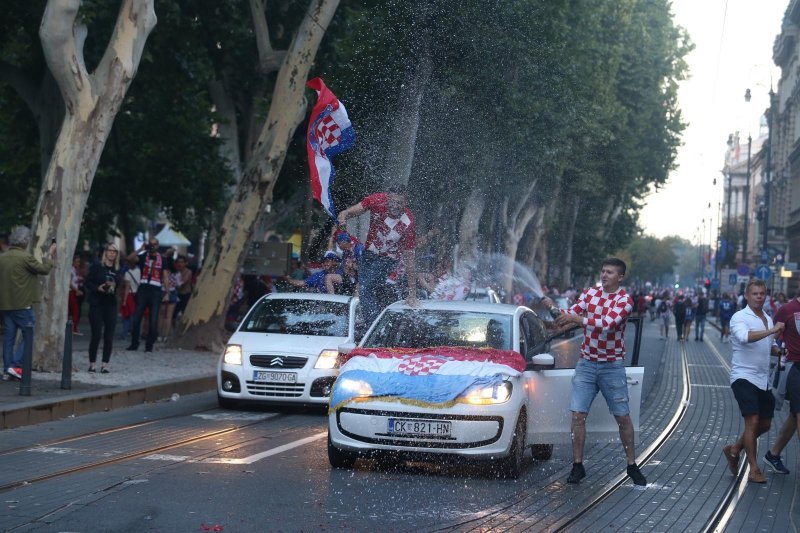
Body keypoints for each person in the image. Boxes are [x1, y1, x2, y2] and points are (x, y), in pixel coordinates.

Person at [544, 257, 647, 486]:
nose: (604, 275)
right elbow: (568, 314)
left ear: (620, 277)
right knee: (578, 415)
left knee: (622, 416)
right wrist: (552, 308)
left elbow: (607, 323)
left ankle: (631, 464)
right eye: (602, 271)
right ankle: (577, 465)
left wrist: (575, 318)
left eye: (609, 272)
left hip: (612, 366)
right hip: (587, 364)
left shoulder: (625, 300)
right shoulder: (589, 294)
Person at [721, 279, 784, 484]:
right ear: (747, 296)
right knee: (753, 421)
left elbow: (770, 345)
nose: (759, 297)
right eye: (755, 293)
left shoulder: (767, 317)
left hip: (763, 379)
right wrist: (772, 330)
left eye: (762, 293)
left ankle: (735, 449)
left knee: (764, 424)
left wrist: (781, 350)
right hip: (743, 376)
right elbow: (745, 337)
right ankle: (753, 468)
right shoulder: (740, 317)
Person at [336, 185, 417, 325]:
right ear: (387, 199)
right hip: (368, 254)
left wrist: (413, 293)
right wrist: (344, 214)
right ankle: (382, 319)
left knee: (365, 288)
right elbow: (355, 211)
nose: (395, 206)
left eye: (399, 203)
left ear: (405, 203)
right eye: (392, 202)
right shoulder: (377, 200)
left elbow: (410, 259)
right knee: (364, 289)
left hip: (388, 259)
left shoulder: (408, 223)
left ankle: (372, 328)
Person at [0, 226, 56, 380]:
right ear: (25, 241)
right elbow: (44, 269)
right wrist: (50, 255)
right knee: (29, 334)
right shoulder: (25, 257)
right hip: (22, 304)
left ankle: (7, 370)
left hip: (5, 305)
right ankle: (16, 366)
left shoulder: (2, 257)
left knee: (9, 338)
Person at [763, 290, 800, 476]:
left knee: (795, 416)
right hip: (794, 368)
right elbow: (772, 338)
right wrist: (778, 352)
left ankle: (773, 453)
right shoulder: (787, 309)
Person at [126, 237, 168, 353]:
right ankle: (134, 343)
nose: (152, 246)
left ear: (158, 245)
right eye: (151, 244)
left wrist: (167, 292)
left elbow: (165, 275)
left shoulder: (163, 259)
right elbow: (129, 258)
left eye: (154, 244)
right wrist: (140, 249)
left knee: (153, 320)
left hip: (156, 291)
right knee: (137, 318)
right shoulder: (143, 256)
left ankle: (149, 345)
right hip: (143, 290)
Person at [84, 244, 120, 373]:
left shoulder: (117, 269)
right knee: (96, 334)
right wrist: (97, 288)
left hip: (110, 304)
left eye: (114, 251)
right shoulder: (97, 267)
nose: (111, 253)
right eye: (109, 251)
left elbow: (119, 285)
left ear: (116, 254)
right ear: (105, 252)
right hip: (97, 303)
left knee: (109, 335)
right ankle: (92, 363)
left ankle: (105, 364)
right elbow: (87, 282)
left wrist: (114, 285)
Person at [68, 255, 84, 335]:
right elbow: (69, 283)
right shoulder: (70, 270)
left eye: (79, 262)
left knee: (74, 311)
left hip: (73, 292)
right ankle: (73, 328)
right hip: (71, 292)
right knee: (75, 311)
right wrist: (77, 290)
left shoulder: (74, 270)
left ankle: (73, 327)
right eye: (76, 261)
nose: (78, 263)